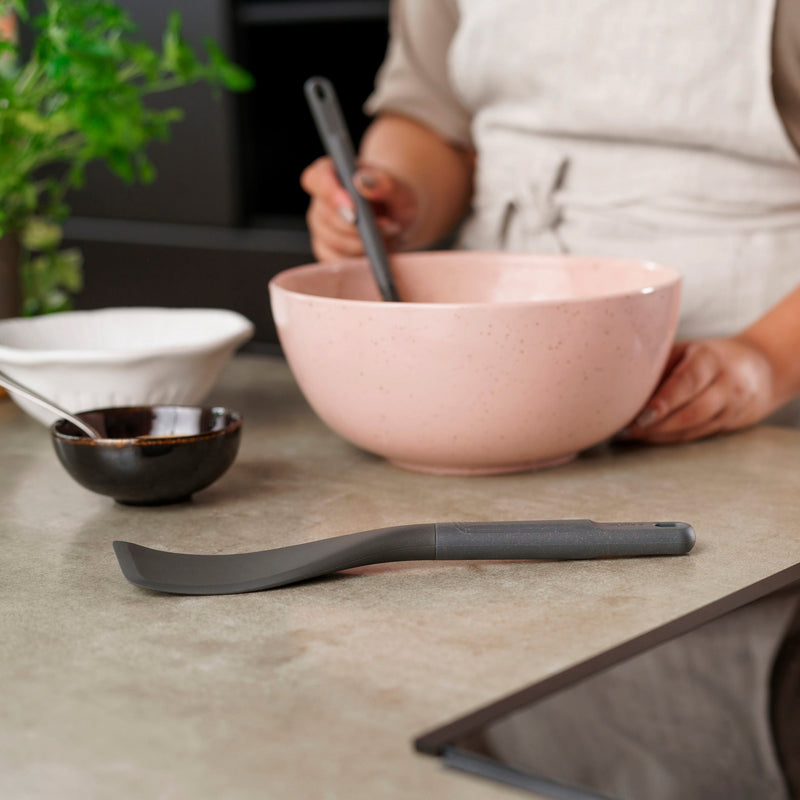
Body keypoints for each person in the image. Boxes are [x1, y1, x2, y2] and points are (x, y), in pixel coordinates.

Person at [301, 0, 800, 443]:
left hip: (753, 398)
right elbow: (432, 116)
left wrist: (764, 361)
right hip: (482, 374)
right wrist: (400, 197)